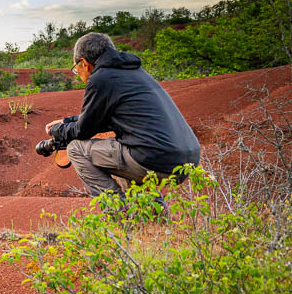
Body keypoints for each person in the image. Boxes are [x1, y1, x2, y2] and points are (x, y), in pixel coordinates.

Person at [45, 32, 200, 197]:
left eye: (76, 69)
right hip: (187, 158)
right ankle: (153, 219)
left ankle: (119, 215)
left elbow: (84, 130)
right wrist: (67, 121)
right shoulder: (134, 72)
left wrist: (57, 131)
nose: (79, 74)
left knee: (76, 149)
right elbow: (103, 119)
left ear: (84, 63)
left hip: (156, 160)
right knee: (127, 150)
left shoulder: (100, 78)